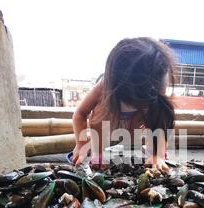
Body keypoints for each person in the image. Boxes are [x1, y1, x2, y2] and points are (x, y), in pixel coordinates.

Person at [72, 37, 176, 173]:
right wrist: (82, 144)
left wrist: (157, 154)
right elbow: (80, 114)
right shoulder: (105, 85)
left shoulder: (158, 81)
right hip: (109, 111)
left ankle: (155, 154)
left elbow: (162, 118)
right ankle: (99, 154)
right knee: (100, 112)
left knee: (157, 114)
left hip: (137, 121)